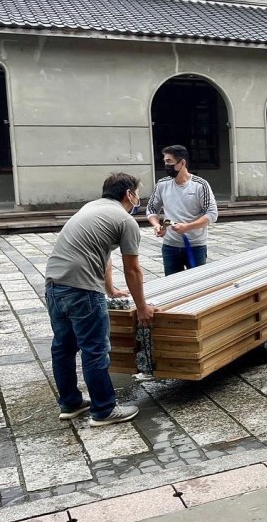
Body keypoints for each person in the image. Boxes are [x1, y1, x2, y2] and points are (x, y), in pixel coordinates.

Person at [44, 173, 156, 426]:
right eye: (137, 192)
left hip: (54, 284)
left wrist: (110, 290)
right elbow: (133, 270)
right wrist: (142, 307)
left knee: (63, 348)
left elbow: (103, 254)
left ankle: (70, 404)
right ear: (129, 194)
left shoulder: (92, 208)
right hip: (82, 290)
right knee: (95, 350)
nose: (138, 197)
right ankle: (104, 410)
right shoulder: (125, 220)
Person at [146, 145, 218, 275]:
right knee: (172, 285)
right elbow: (151, 208)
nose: (166, 165)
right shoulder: (162, 184)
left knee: (197, 284)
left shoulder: (200, 185)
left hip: (195, 245)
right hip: (170, 246)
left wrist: (188, 227)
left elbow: (212, 214)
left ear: (182, 162)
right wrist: (156, 225)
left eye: (169, 161)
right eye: (164, 161)